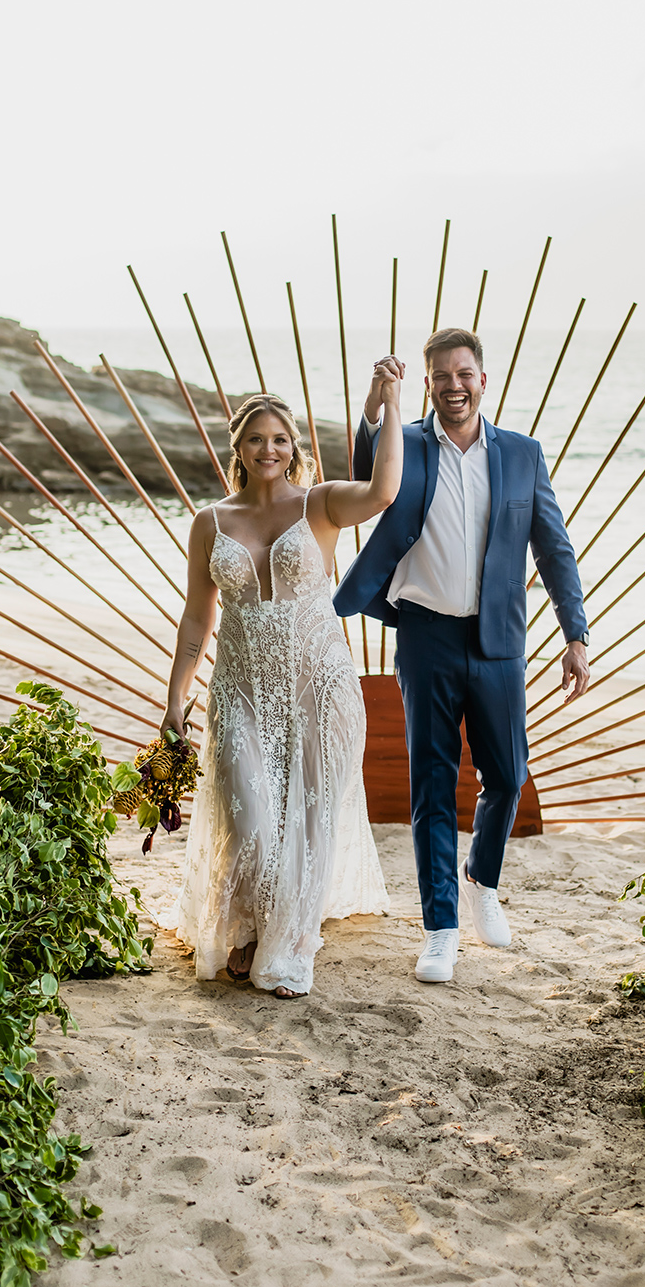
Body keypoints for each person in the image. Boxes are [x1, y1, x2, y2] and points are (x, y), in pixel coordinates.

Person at [334, 327, 589, 985]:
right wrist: (376, 401)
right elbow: (363, 473)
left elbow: (554, 548)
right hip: (425, 637)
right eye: (442, 376)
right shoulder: (408, 445)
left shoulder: (524, 454)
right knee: (432, 785)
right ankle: (441, 929)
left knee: (507, 777)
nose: (454, 385)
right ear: (427, 384)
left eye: (464, 373)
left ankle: (482, 878)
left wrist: (575, 635)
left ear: (482, 379)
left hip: (499, 640)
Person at [158, 364, 404, 998]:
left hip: (319, 688)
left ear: (293, 447)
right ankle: (252, 923)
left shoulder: (320, 504)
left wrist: (389, 401)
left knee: (310, 825)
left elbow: (384, 492)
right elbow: (197, 616)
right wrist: (176, 696)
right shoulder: (210, 522)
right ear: (238, 449)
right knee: (250, 821)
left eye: (279, 439)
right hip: (239, 690)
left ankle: (286, 944)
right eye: (256, 439)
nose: (268, 449)